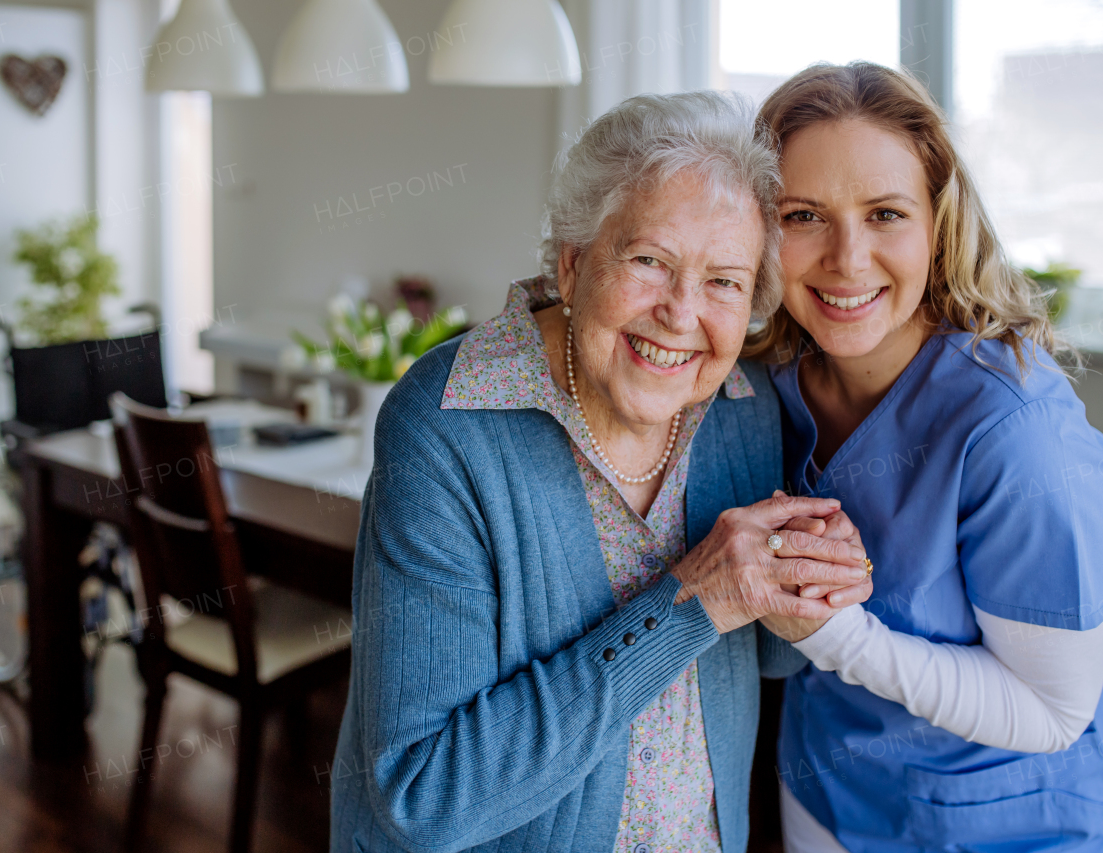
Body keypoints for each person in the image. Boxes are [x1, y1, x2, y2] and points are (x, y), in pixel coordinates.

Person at [329, 90, 874, 853]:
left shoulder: (742, 405)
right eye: (651, 261)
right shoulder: (448, 423)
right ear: (575, 261)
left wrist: (803, 571)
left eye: (724, 281)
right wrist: (693, 600)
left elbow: (770, 657)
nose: (682, 313)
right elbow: (424, 795)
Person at [748, 63, 1103, 852]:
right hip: (827, 787)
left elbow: (1054, 711)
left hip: (1007, 818)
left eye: (885, 213)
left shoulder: (1017, 433)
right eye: (803, 215)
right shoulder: (767, 384)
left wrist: (831, 633)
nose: (847, 259)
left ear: (938, 222)